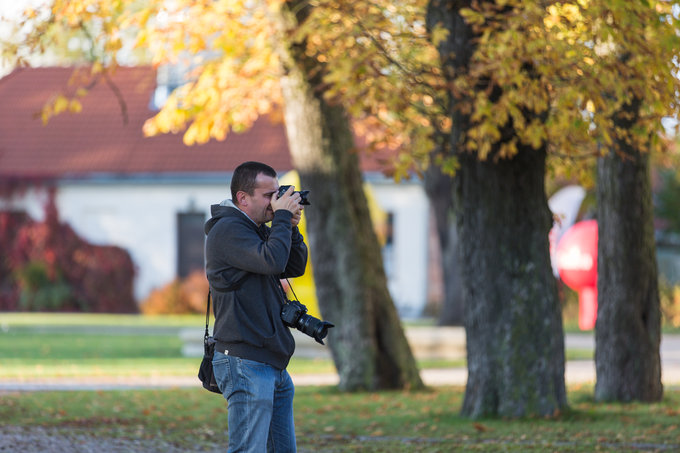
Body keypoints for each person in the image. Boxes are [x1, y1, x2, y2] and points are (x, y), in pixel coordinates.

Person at [204, 161, 308, 452]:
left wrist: (290, 227)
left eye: (278, 194)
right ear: (243, 198)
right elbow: (271, 261)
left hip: (272, 362)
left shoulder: (257, 228)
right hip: (245, 360)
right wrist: (282, 218)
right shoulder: (227, 230)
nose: (275, 202)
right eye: (268, 196)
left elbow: (293, 266)